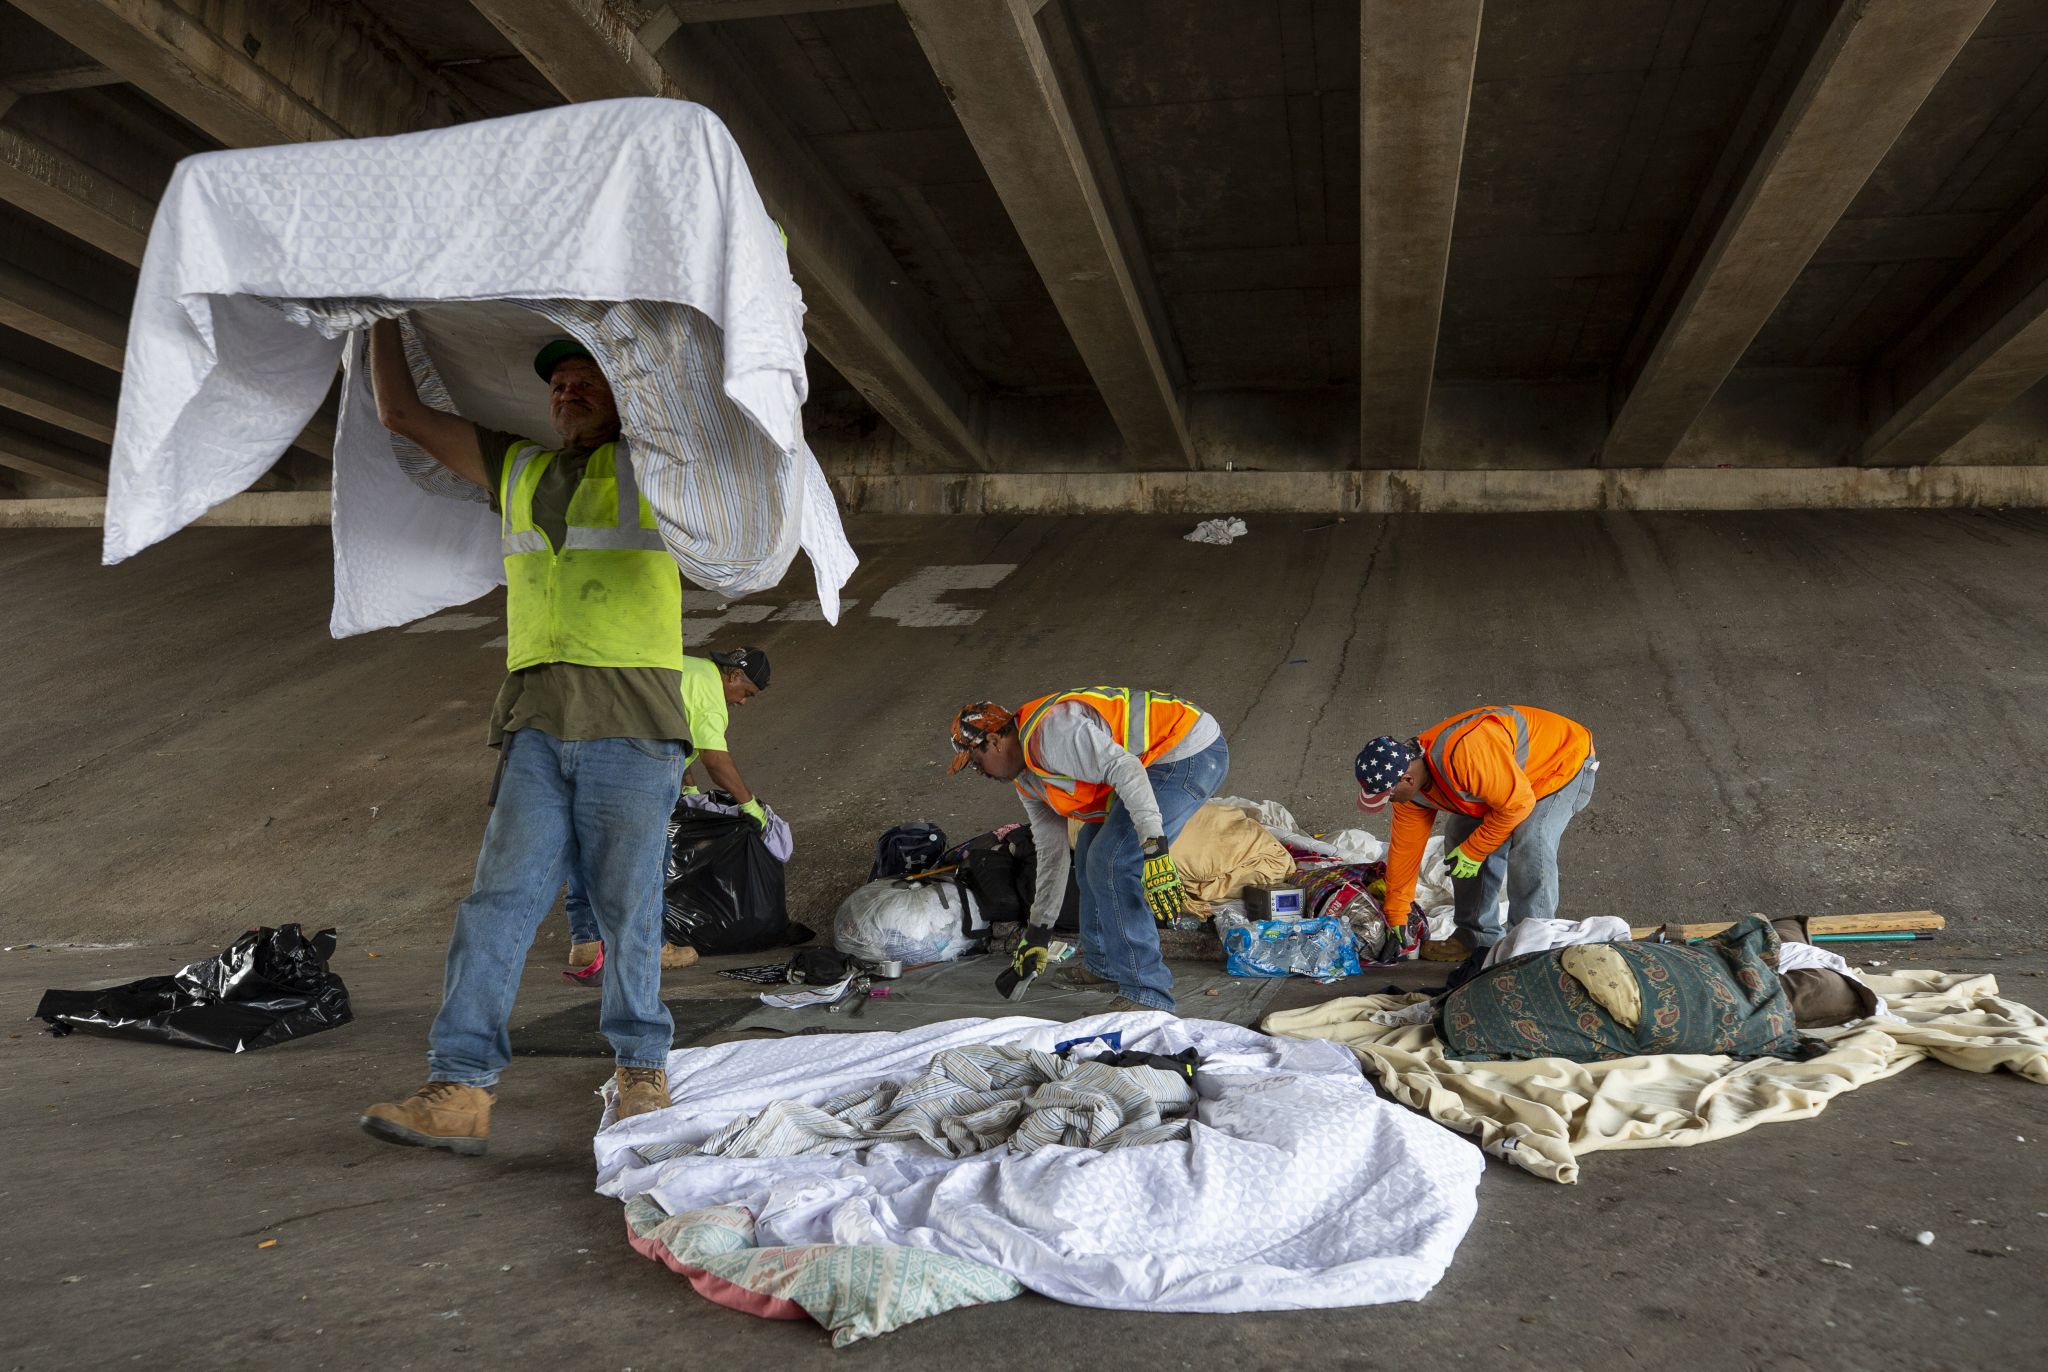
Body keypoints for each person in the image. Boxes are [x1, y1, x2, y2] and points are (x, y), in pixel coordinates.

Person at [358, 327, 691, 1155]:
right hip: (537, 724)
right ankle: (460, 1089)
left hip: (633, 725)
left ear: (623, 398)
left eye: (586, 383)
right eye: (559, 385)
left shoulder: (655, 465)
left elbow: (705, 399)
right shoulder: (519, 467)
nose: (567, 394)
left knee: (627, 908)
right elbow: (399, 412)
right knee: (495, 906)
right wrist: (379, 314)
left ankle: (643, 1069)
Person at [948, 688, 1229, 1013]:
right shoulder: (1027, 780)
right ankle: (1104, 965)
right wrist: (1038, 931)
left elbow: (1126, 769)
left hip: (1186, 753)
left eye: (976, 762)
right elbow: (1052, 854)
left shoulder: (1053, 734)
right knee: (1087, 851)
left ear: (995, 741)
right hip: (1147, 764)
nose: (979, 772)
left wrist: (1153, 848)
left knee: (1112, 860)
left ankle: (1148, 992)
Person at [565, 646, 772, 975]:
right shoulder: (710, 695)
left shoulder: (686, 667)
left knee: (588, 847)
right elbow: (715, 760)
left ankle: (587, 942)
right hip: (634, 767)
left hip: (587, 749)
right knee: (650, 856)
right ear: (733, 675)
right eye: (746, 693)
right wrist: (750, 805)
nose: (742, 702)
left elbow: (674, 728)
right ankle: (653, 945)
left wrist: (687, 785)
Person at [1355, 705, 1597, 953]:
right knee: (1462, 836)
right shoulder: (1411, 795)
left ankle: (1531, 947)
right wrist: (1396, 912)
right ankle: (1477, 937)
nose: (1388, 802)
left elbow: (1518, 805)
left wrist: (1475, 850)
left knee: (1531, 840)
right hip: (1507, 783)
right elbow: (1405, 852)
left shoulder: (1464, 755)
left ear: (1408, 779)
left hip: (1561, 763)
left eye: (1387, 796)